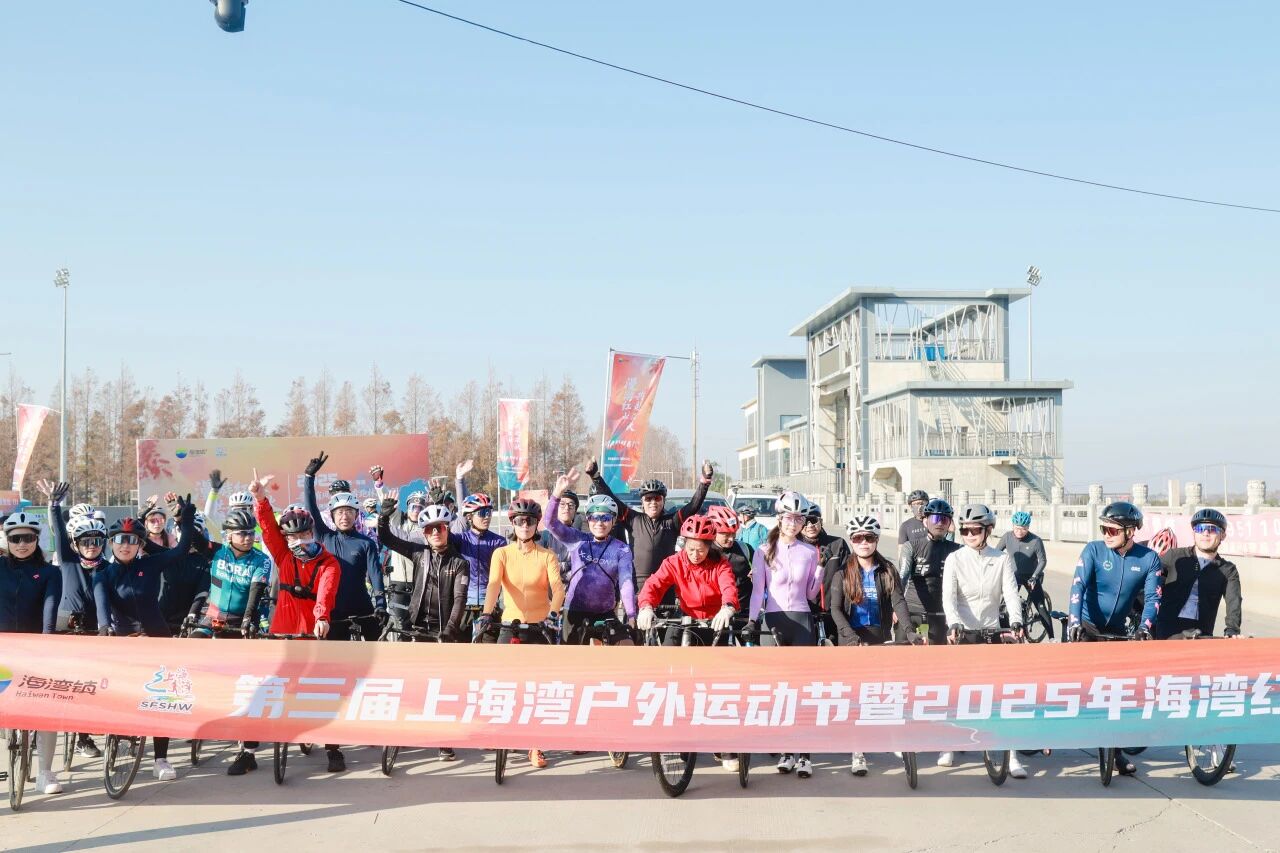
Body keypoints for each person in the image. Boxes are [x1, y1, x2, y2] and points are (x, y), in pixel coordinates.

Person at [93, 494, 197, 782]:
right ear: (111, 543)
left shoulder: (150, 565)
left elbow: (182, 550)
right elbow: (103, 608)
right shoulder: (103, 574)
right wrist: (104, 629)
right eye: (120, 540)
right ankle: (123, 737)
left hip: (157, 641)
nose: (125, 545)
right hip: (125, 644)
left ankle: (161, 758)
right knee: (121, 698)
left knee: (160, 701)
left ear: (140, 544)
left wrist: (185, 519)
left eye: (131, 540)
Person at [250, 472, 343, 770]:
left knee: (321, 690)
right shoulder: (283, 556)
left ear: (312, 533)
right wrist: (260, 498)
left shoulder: (328, 563)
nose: (299, 541)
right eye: (293, 537)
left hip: (313, 630)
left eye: (304, 535)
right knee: (269, 688)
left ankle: (333, 748)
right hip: (282, 629)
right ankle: (247, 751)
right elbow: (266, 528)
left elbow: (325, 594)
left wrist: (322, 617)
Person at [1067, 500, 1163, 776]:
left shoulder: (1149, 559)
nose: (1106, 534)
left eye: (1112, 530)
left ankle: (1115, 752)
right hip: (1086, 625)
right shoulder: (1093, 550)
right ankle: (1051, 735)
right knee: (1078, 687)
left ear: (1130, 532)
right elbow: (1078, 586)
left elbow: (1153, 598)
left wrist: (1145, 627)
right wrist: (1074, 621)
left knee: (1116, 696)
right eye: (1103, 529)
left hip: (1118, 631)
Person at [180, 506, 275, 776]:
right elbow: (197, 540)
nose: (247, 537)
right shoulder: (218, 552)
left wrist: (247, 621)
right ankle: (203, 706)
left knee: (246, 687)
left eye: (251, 533)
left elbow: (256, 594)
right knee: (193, 653)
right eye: (241, 533)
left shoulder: (260, 560)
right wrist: (182, 519)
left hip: (243, 620)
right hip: (213, 617)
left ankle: (248, 752)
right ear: (229, 535)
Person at [376, 497, 469, 761]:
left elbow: (460, 599)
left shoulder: (460, 562)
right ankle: (405, 732)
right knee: (412, 685)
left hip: (444, 633)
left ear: (447, 529)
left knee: (442, 690)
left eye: (440, 527)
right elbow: (388, 540)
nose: (435, 532)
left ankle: (444, 741)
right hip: (418, 628)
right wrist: (384, 517)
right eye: (429, 529)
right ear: (424, 533)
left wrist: (450, 629)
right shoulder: (419, 553)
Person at [477, 498, 565, 769]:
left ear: (536, 524)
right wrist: (486, 613)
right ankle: (500, 732)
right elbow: (493, 585)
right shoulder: (501, 554)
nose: (524, 526)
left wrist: (553, 613)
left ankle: (535, 745)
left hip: (540, 627)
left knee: (538, 689)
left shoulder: (547, 555)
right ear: (512, 523)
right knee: (503, 683)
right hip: (509, 624)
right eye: (518, 521)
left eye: (529, 521)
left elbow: (557, 588)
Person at [941, 504, 1027, 778]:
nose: (968, 534)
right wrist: (953, 622)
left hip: (991, 630)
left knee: (1001, 696)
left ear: (988, 531)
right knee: (958, 693)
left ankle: (1011, 754)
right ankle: (951, 745)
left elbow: (1011, 594)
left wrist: (1016, 621)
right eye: (964, 530)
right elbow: (949, 597)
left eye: (975, 530)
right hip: (963, 632)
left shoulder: (1000, 559)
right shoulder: (955, 558)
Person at [742, 490, 822, 778]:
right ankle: (786, 750)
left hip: (801, 619)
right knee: (778, 691)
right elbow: (757, 592)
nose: (794, 523)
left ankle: (805, 756)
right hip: (773, 619)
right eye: (789, 517)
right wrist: (753, 621)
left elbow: (811, 593)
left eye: (799, 518)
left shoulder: (810, 552)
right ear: (780, 518)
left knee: (803, 690)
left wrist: (821, 571)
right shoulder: (764, 550)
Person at [829, 515, 916, 776]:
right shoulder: (843, 572)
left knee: (883, 693)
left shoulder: (888, 569)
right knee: (856, 697)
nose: (863, 543)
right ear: (852, 542)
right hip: (852, 640)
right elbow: (834, 609)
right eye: (857, 538)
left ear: (876, 540)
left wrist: (910, 632)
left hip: (878, 636)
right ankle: (858, 749)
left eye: (869, 538)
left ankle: (892, 740)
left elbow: (899, 602)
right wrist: (850, 637)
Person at [0, 510, 65, 795]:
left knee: (45, 710)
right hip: (3, 649)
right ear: (7, 540)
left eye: (28, 538)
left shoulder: (51, 572)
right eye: (15, 539)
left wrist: (46, 641)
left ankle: (45, 773)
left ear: (37, 539)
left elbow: (50, 609)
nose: (22, 544)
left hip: (36, 648)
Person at [41, 483, 108, 756]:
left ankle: (83, 737)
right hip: (64, 626)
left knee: (87, 688)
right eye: (85, 542)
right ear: (76, 544)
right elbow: (58, 532)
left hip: (94, 630)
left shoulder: (108, 568)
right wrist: (54, 506)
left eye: (96, 542)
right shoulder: (68, 561)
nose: (91, 547)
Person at [587, 458, 715, 594]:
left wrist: (705, 482)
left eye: (657, 498)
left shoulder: (672, 521)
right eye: (648, 499)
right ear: (642, 502)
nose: (653, 502)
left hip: (665, 586)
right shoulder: (633, 518)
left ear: (663, 501)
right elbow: (611, 497)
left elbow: (693, 506)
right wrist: (595, 476)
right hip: (637, 589)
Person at [302, 451, 387, 640]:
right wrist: (309, 477)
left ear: (356, 515)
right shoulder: (325, 536)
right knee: (336, 662)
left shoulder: (366, 543)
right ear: (332, 516)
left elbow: (375, 575)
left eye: (349, 511)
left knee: (379, 650)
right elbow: (312, 508)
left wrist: (381, 605)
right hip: (333, 609)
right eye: (339, 512)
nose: (344, 516)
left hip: (361, 605)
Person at [546, 470, 637, 646]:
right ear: (588, 519)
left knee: (627, 645)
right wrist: (557, 493)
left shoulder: (621, 549)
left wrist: (631, 614)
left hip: (605, 612)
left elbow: (626, 582)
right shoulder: (577, 540)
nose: (600, 523)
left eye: (605, 518)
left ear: (613, 521)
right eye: (594, 518)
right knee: (570, 663)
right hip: (574, 610)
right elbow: (550, 523)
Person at [637, 515, 737, 645]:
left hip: (715, 620)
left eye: (701, 550)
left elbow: (728, 586)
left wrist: (728, 607)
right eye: (691, 549)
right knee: (668, 655)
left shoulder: (720, 563)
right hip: (685, 615)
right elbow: (654, 584)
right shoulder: (674, 562)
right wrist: (646, 607)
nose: (695, 555)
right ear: (684, 544)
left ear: (710, 547)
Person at [1156, 508, 1241, 640]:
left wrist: (1232, 629)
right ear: (1194, 533)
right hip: (1165, 635)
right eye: (1200, 529)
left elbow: (1234, 601)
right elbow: (1150, 584)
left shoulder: (1228, 570)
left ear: (1223, 535)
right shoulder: (1174, 556)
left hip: (1201, 638)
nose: (1205, 533)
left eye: (1212, 529)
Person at [372, 465, 428, 632]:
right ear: (407, 508)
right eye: (413, 507)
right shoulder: (399, 524)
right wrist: (379, 486)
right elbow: (388, 506)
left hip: (419, 583)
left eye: (420, 508)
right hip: (398, 584)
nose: (416, 511)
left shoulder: (427, 529)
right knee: (399, 626)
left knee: (419, 627)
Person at [898, 498, 959, 645]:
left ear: (950, 524)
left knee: (938, 660)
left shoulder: (957, 550)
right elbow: (902, 577)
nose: (939, 523)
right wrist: (897, 610)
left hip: (940, 612)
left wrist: (955, 617)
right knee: (901, 656)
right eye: (936, 518)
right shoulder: (911, 546)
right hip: (911, 610)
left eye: (944, 520)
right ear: (925, 521)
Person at [997, 510, 1051, 638]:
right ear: (1012, 526)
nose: (1019, 532)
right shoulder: (1007, 537)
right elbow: (996, 554)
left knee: (1041, 608)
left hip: (1031, 577)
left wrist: (1034, 577)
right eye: (1017, 528)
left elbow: (1043, 560)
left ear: (1028, 527)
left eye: (1023, 529)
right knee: (1003, 605)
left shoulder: (1035, 540)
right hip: (1014, 576)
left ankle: (1052, 637)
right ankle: (1003, 634)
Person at [801, 502, 851, 638]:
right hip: (806, 614)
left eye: (814, 520)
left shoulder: (838, 544)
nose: (810, 525)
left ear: (821, 521)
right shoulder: (795, 549)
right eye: (805, 521)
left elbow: (850, 577)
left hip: (835, 613)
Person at [707, 505, 753, 626]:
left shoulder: (745, 549)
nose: (731, 538)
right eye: (726, 534)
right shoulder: (704, 551)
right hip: (716, 613)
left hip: (744, 610)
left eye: (733, 533)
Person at [539, 488, 579, 578]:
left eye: (571, 505)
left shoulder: (581, 538)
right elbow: (539, 567)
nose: (567, 508)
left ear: (575, 510)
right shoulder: (543, 537)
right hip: (549, 589)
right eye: (562, 504)